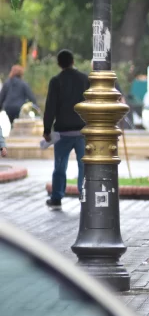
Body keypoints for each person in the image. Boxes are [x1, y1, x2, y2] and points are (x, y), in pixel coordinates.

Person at [43, 50, 90, 210]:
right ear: (73, 61)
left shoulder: (56, 81)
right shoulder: (85, 79)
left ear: (59, 64)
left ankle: (56, 198)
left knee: (60, 166)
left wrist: (47, 129)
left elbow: (50, 107)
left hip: (63, 133)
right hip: (83, 132)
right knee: (84, 165)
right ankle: (84, 195)